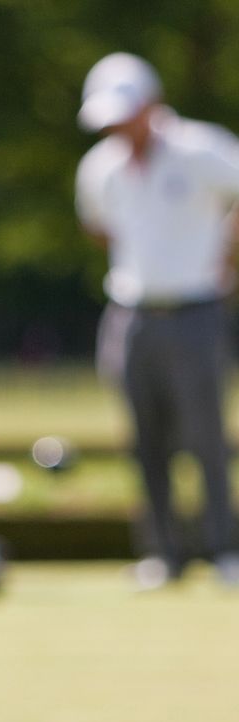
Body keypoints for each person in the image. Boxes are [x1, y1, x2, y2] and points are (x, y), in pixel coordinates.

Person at [76, 54, 239, 587]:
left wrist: (226, 253)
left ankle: (223, 551)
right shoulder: (101, 166)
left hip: (196, 309)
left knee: (205, 437)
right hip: (130, 313)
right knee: (145, 438)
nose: (117, 127)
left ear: (150, 104)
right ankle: (164, 555)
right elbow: (98, 226)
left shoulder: (200, 148)